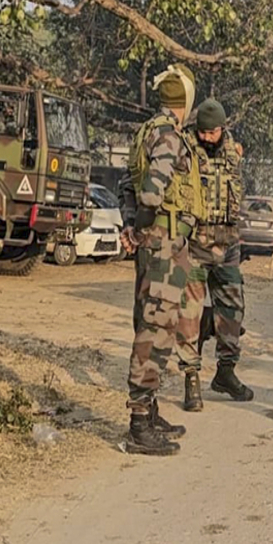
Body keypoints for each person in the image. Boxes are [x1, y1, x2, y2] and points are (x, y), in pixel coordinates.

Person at [119, 64, 206, 456]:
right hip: (163, 244)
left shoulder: (146, 131)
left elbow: (126, 185)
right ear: (184, 102)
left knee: (157, 324)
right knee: (154, 330)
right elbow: (152, 194)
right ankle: (139, 423)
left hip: (158, 244)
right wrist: (141, 230)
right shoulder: (169, 135)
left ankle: (149, 411)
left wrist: (130, 228)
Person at [187, 98, 254, 404]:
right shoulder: (185, 147)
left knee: (233, 310)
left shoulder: (233, 153)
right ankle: (191, 377)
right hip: (196, 249)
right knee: (191, 312)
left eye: (211, 133)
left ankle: (225, 372)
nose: (206, 137)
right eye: (202, 132)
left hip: (227, 246)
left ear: (222, 129)